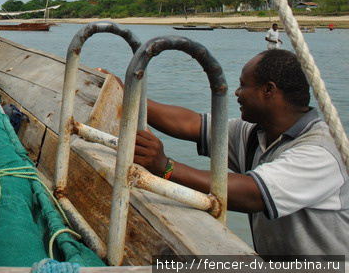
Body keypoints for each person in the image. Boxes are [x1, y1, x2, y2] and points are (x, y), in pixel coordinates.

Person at [133, 49, 348, 257]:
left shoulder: (321, 151)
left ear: (269, 90)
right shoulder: (257, 132)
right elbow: (192, 124)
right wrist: (128, 92)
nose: (237, 93)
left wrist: (166, 167)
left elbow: (252, 195)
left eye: (243, 85)